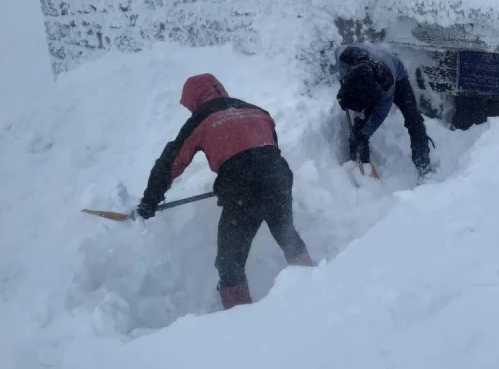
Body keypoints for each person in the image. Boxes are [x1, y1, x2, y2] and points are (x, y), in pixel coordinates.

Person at [133, 73, 313, 310]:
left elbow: (171, 161)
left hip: (242, 191)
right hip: (278, 178)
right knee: (286, 234)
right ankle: (314, 286)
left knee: (230, 261)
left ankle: (238, 318)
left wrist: (149, 202)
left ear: (195, 100)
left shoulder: (203, 118)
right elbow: (268, 150)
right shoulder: (257, 110)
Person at [335, 42, 433, 176]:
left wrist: (364, 133)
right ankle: (358, 165)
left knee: (413, 119)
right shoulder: (344, 55)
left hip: (398, 78)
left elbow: (380, 114)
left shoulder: (386, 83)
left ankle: (423, 166)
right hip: (366, 74)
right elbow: (340, 61)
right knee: (359, 128)